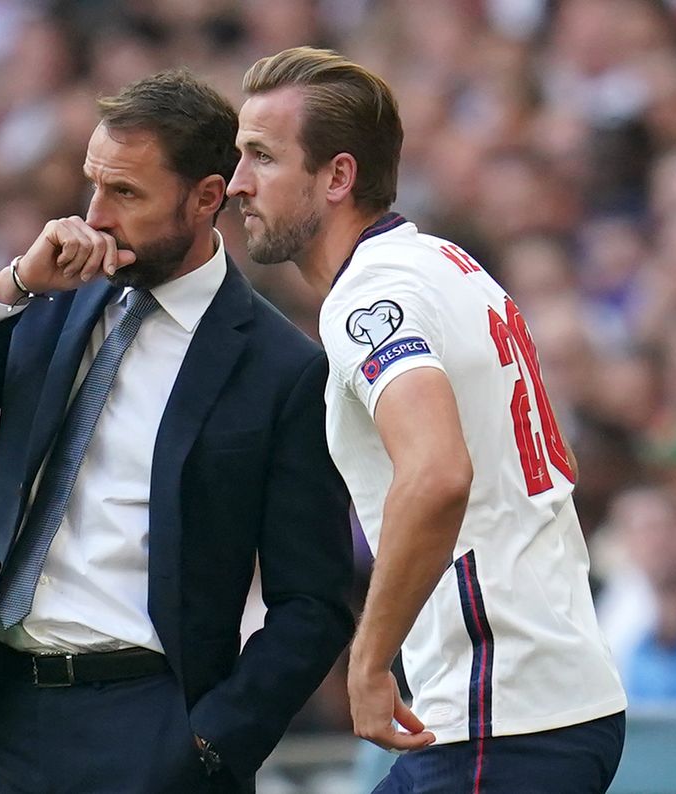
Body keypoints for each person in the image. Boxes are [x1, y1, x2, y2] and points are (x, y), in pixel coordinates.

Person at [0, 69, 354, 793]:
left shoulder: (281, 368)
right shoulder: (54, 294)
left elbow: (312, 603)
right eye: (93, 183)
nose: (95, 214)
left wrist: (212, 743)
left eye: (126, 193)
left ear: (206, 198)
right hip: (0, 714)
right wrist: (12, 287)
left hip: (146, 725)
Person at [228, 47, 627, 793]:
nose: (238, 183)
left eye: (262, 157)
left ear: (338, 176)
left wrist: (370, 661)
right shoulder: (451, 265)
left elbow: (440, 472)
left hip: (498, 716)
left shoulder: (366, 299)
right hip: (545, 696)